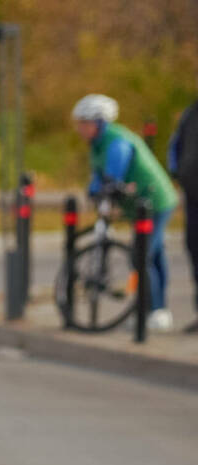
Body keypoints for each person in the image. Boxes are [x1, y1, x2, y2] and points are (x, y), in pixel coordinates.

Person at [72, 94, 179, 332]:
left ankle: (152, 311)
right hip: (139, 205)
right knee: (152, 254)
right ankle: (157, 311)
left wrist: (110, 190)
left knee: (141, 256)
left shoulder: (116, 140)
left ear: (98, 122)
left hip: (154, 202)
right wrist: (94, 192)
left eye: (83, 123)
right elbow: (97, 178)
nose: (79, 129)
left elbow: (113, 175)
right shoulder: (97, 144)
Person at [167, 75, 198, 333]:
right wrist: (176, 172)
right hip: (192, 196)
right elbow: (175, 146)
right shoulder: (191, 114)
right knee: (195, 251)